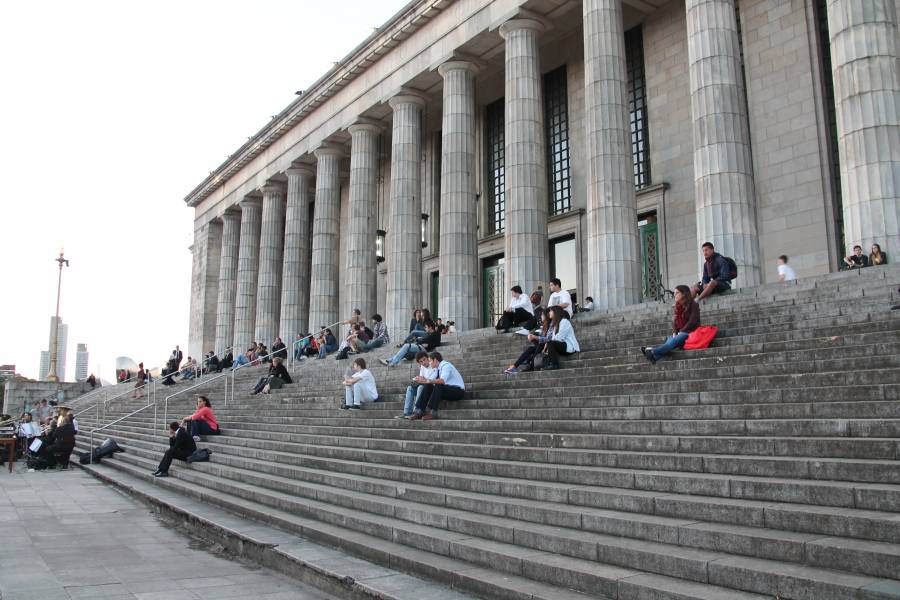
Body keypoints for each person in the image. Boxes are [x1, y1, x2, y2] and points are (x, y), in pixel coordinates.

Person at [641, 284, 700, 363]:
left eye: (677, 293)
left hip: (690, 333)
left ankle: (652, 351)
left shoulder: (694, 305)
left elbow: (692, 322)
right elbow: (675, 323)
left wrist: (681, 332)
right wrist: (675, 332)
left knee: (672, 342)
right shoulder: (678, 306)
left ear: (684, 294)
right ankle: (655, 357)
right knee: (670, 342)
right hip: (680, 334)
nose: (674, 295)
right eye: (674, 293)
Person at [408, 352, 465, 421]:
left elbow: (442, 381)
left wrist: (427, 381)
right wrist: (421, 380)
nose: (429, 363)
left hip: (458, 391)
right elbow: (429, 381)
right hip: (447, 390)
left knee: (438, 385)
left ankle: (432, 412)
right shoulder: (437, 369)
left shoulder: (446, 365)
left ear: (435, 360)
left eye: (430, 361)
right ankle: (418, 411)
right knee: (428, 386)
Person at [396, 351, 436, 419]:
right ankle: (407, 412)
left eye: (424, 360)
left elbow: (432, 381)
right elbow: (421, 379)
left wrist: (423, 379)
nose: (423, 362)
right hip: (424, 387)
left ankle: (417, 412)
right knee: (410, 388)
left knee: (420, 387)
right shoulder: (422, 367)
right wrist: (417, 379)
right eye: (421, 361)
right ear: (419, 363)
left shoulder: (433, 365)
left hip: (431, 389)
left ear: (428, 358)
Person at [543, 306, 580, 370]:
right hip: (561, 345)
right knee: (549, 343)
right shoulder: (556, 324)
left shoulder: (564, 321)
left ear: (555, 312)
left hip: (569, 346)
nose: (549, 312)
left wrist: (549, 343)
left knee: (550, 343)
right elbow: (554, 339)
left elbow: (560, 337)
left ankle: (555, 365)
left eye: (551, 311)